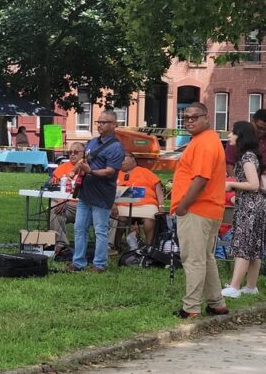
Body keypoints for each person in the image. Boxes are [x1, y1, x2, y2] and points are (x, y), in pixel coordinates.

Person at [170, 102, 228, 319]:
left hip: (197, 209)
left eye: (195, 117)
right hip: (209, 209)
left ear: (207, 118)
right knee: (206, 257)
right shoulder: (208, 140)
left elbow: (201, 179)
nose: (190, 121)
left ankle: (191, 307)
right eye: (186, 118)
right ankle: (217, 303)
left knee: (193, 259)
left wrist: (183, 205)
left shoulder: (204, 143)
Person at [67, 110, 124, 273]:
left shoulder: (116, 147)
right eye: (98, 122)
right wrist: (76, 169)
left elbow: (110, 172)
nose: (99, 125)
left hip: (102, 194)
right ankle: (78, 262)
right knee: (79, 228)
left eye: (104, 122)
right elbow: (84, 161)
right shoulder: (91, 143)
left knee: (100, 230)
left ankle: (99, 264)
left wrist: (90, 171)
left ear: (114, 125)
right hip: (86, 193)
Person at [221, 121, 265, 298]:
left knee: (243, 245)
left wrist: (231, 184)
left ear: (242, 136)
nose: (230, 136)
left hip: (250, 206)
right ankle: (251, 286)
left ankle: (234, 286)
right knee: (255, 247)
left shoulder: (246, 158)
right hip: (257, 205)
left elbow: (254, 184)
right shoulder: (252, 155)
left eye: (233, 133)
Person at [111, 152, 166, 248]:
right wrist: (113, 203)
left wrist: (161, 206)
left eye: (123, 157)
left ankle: (149, 247)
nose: (121, 160)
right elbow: (109, 191)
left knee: (150, 219)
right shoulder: (115, 174)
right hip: (122, 206)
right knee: (119, 219)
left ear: (133, 158)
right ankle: (116, 246)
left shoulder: (145, 172)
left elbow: (158, 187)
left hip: (146, 204)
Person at [48, 142, 85, 254]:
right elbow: (51, 188)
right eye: (70, 152)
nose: (72, 154)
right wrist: (61, 201)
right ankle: (62, 244)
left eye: (76, 152)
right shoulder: (62, 167)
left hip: (86, 206)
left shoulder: (89, 168)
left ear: (83, 154)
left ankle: (109, 247)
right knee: (54, 208)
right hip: (67, 206)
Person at [224, 109, 266, 176]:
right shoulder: (238, 138)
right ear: (252, 121)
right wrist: (235, 183)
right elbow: (229, 165)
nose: (262, 131)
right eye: (259, 127)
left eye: (265, 129)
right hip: (242, 183)